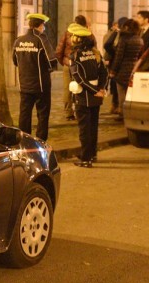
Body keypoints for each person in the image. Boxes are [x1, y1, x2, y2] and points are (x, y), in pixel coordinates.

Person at [68, 24, 108, 168]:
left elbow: (78, 77)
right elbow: (104, 73)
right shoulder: (96, 52)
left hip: (84, 95)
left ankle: (85, 159)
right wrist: (101, 89)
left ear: (77, 39)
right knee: (93, 127)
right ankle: (92, 154)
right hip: (96, 95)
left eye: (73, 36)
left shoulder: (75, 55)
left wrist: (93, 90)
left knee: (84, 128)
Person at [13, 13, 58, 141]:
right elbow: (52, 60)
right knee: (43, 115)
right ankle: (41, 141)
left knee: (24, 114)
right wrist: (49, 69)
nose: (44, 28)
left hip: (24, 85)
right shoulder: (41, 39)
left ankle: (24, 140)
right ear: (40, 25)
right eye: (43, 25)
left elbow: (15, 61)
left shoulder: (18, 41)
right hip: (41, 85)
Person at [56, 15, 91, 120]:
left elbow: (58, 51)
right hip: (82, 65)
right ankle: (80, 111)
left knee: (67, 89)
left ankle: (68, 113)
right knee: (81, 87)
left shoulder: (67, 33)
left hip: (68, 65)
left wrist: (64, 62)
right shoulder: (88, 34)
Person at [109, 19, 143, 119]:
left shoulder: (124, 39)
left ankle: (123, 113)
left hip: (122, 69)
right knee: (130, 93)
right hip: (133, 69)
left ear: (127, 27)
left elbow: (118, 57)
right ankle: (130, 113)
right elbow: (139, 56)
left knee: (121, 93)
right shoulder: (139, 39)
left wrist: (113, 71)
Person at [104, 17, 128, 114]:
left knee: (120, 88)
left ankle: (121, 109)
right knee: (116, 87)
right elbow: (107, 45)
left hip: (119, 66)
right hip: (119, 65)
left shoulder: (123, 37)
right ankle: (116, 106)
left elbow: (108, 45)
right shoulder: (126, 36)